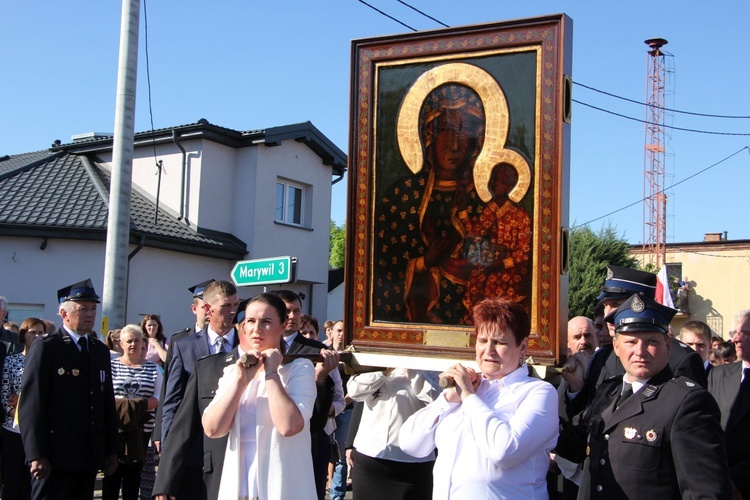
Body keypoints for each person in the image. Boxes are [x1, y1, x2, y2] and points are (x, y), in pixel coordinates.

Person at [556, 294, 732, 498]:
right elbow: (571, 447)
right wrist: (573, 387)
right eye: (631, 341)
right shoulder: (608, 392)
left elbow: (707, 492)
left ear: (667, 346)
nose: (640, 351)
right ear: (616, 347)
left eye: (651, 342)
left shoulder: (687, 401)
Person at [399, 298, 558, 498]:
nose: (488, 351)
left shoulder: (538, 393)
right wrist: (446, 400)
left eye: (499, 342)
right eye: (482, 341)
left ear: (523, 346)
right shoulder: (466, 390)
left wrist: (468, 396)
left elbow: (505, 451)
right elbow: (410, 444)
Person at [373, 83, 488, 325]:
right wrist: (423, 263)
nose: (455, 144)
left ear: (476, 141)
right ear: (428, 135)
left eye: (464, 131)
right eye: (445, 130)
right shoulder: (401, 196)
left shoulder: (482, 201)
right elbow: (384, 271)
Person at [201, 292, 318, 499]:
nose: (257, 329)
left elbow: (289, 426)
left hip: (282, 487)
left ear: (283, 326)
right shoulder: (233, 372)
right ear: (243, 326)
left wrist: (271, 373)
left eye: (266, 322)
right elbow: (212, 428)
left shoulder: (299, 369)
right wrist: (240, 381)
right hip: (239, 486)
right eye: (251, 321)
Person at [19, 279, 118, 499]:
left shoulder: (99, 351)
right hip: (55, 457)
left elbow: (106, 403)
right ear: (64, 314)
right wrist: (36, 454)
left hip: (87, 455)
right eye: (83, 309)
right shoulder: (47, 348)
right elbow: (31, 406)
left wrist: (111, 449)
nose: (90, 314)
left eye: (93, 308)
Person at [152, 280, 238, 500]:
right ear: (208, 309)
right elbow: (173, 400)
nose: (232, 312)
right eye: (226, 306)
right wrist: (168, 448)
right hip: (195, 447)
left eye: (235, 305)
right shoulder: (185, 345)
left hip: (234, 446)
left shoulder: (244, 345)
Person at [272, 290, 341, 500]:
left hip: (310, 437)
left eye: (297, 311)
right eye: (287, 311)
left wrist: (321, 379)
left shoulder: (317, 350)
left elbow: (337, 394)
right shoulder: (262, 345)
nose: (292, 316)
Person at [347, 366, 441, 499]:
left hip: (412, 464)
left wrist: (412, 369)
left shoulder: (428, 365)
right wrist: (382, 372)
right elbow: (354, 392)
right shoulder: (374, 361)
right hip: (370, 459)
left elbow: (439, 400)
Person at [102, 325, 161, 500]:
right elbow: (104, 397)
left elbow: (158, 397)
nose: (133, 344)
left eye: (137, 340)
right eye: (129, 341)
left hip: (141, 433)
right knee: (111, 480)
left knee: (133, 482)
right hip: (115, 432)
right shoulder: (110, 367)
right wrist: (136, 406)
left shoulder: (154, 369)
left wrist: (131, 406)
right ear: (121, 344)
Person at [463, 162, 532, 310]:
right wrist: (463, 213)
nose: (494, 183)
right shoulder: (489, 210)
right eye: (493, 178)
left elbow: (524, 252)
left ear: (510, 186)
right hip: (487, 268)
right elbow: (475, 235)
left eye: (501, 181)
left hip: (509, 275)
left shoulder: (521, 215)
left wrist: (501, 264)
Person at [1, 317, 45, 500]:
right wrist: (19, 412)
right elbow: (4, 395)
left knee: (33, 481)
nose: (36, 336)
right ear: (23, 334)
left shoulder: (48, 360)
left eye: (41, 332)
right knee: (13, 479)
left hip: (38, 429)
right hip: (13, 428)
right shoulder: (12, 361)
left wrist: (20, 401)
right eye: (32, 332)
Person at [708, 309, 750, 498]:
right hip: (718, 482)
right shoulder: (719, 375)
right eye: (735, 333)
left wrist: (737, 480)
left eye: (745, 333)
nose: (736, 340)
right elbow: (707, 426)